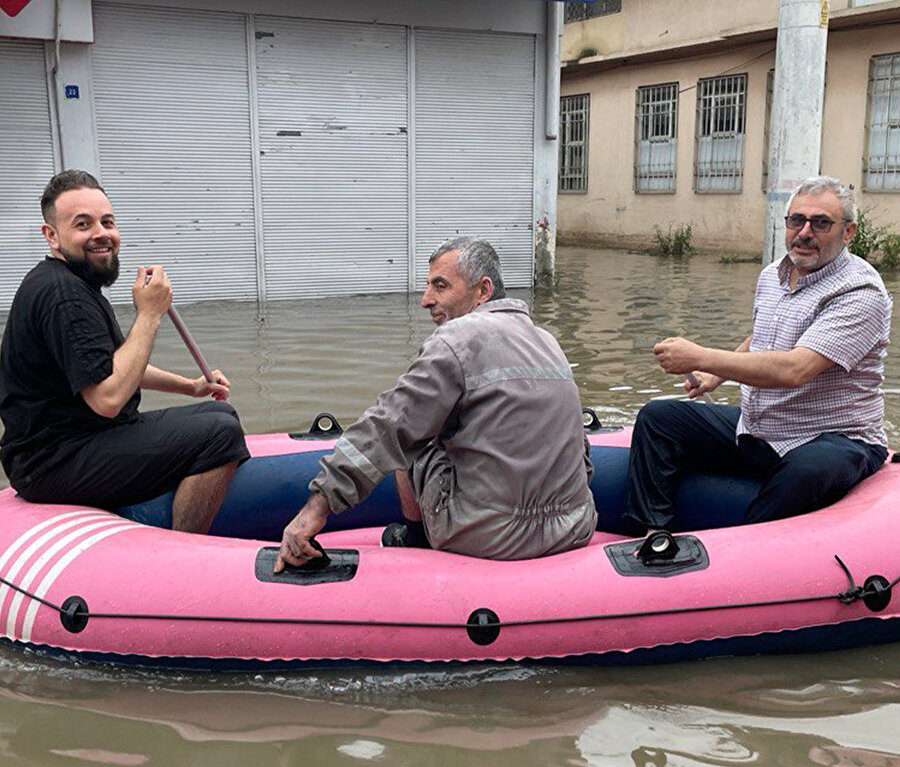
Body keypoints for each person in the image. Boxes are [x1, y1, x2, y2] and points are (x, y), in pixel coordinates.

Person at [275, 237, 597, 570]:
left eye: (440, 286)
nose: (426, 300)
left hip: (492, 538)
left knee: (414, 432)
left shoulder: (455, 339)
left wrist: (317, 506)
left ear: (483, 290)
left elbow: (390, 425)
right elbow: (581, 452)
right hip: (573, 527)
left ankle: (416, 539)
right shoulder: (546, 341)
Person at [623, 175, 892, 532]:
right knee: (658, 418)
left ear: (848, 232)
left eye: (821, 223)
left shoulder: (860, 291)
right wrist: (715, 375)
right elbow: (763, 335)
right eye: (797, 220)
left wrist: (701, 357)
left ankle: (740, 553)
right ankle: (650, 534)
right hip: (760, 427)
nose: (805, 232)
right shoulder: (772, 275)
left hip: (834, 436)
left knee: (809, 469)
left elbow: (795, 369)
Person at [0, 170, 249, 533]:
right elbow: (108, 398)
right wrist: (149, 314)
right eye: (83, 224)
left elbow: (112, 366)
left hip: (77, 443)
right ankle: (182, 548)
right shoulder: (63, 295)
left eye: (107, 222)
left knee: (221, 413)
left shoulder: (72, 283)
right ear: (51, 236)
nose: (101, 233)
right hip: (54, 460)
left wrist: (192, 386)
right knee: (219, 433)